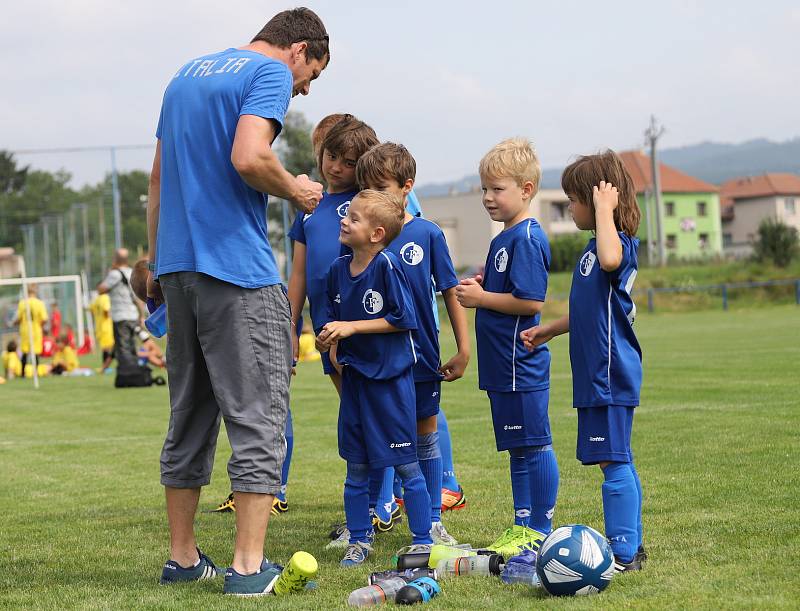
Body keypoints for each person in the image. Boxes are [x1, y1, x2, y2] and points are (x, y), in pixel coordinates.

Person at [145, 7, 328, 596]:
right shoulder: (266, 74)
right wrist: (297, 187)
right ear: (298, 50)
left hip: (177, 269)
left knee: (188, 416)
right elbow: (249, 157)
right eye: (311, 76)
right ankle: (248, 569)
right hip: (237, 275)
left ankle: (183, 558)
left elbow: (157, 180)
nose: (301, 90)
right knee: (258, 418)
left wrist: (156, 264)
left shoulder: (185, 75)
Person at [520, 150, 646, 572]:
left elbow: (612, 260)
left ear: (596, 202)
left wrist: (606, 211)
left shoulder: (617, 246)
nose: (570, 208)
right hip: (596, 375)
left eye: (575, 200)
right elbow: (590, 311)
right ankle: (631, 544)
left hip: (609, 374)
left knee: (614, 461)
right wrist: (549, 329)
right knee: (617, 458)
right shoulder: (593, 249)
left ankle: (624, 553)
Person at [287, 115, 405, 539]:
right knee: (355, 415)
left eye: (348, 161)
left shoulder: (366, 206)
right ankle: (375, 501)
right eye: (331, 156)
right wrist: (291, 325)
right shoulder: (307, 205)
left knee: (376, 416)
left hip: (362, 328)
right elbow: (298, 276)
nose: (336, 167)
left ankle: (384, 502)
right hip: (326, 331)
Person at [355, 142, 470, 545]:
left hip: (421, 358)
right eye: (366, 187)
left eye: (382, 187)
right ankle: (367, 518)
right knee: (373, 440)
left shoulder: (427, 234)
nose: (375, 196)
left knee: (425, 437)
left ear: (407, 187)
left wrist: (463, 347)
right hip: (377, 364)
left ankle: (434, 519)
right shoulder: (366, 237)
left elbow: (450, 290)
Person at [316, 189, 433, 567]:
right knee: (356, 467)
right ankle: (360, 540)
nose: (344, 220)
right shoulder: (337, 270)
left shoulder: (388, 266)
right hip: (356, 383)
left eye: (353, 218)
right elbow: (337, 321)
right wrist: (329, 339)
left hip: (389, 384)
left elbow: (403, 319)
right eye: (345, 215)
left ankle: (422, 539)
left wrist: (351, 327)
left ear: (376, 234)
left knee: (406, 465)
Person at [456, 138, 559, 558]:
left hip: (522, 363)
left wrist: (481, 300)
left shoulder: (527, 238)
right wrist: (484, 288)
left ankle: (541, 527)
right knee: (517, 448)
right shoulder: (503, 239)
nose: (487, 198)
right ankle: (521, 525)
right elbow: (508, 292)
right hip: (501, 364)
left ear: (527, 189)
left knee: (535, 444)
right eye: (484, 189)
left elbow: (531, 301)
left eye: (497, 189)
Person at [98, 249, 142, 377]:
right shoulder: (131, 272)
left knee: (123, 347)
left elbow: (101, 289)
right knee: (132, 345)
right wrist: (141, 315)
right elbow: (137, 297)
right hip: (132, 315)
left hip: (120, 316)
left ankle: (127, 374)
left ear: (115, 259)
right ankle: (135, 371)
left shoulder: (114, 274)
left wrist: (110, 270)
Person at [14, 285, 48, 372]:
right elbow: (44, 319)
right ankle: (36, 372)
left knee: (25, 352)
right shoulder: (40, 303)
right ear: (35, 292)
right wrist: (40, 325)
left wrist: (14, 323)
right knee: (35, 352)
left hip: (25, 330)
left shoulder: (22, 303)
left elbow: (19, 318)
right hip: (36, 330)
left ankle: (22, 373)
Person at [89, 290, 115, 371]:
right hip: (106, 326)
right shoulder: (105, 298)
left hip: (99, 327)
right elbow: (106, 310)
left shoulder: (96, 299)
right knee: (108, 347)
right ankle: (105, 367)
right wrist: (108, 318)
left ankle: (105, 366)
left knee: (106, 347)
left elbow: (91, 310)